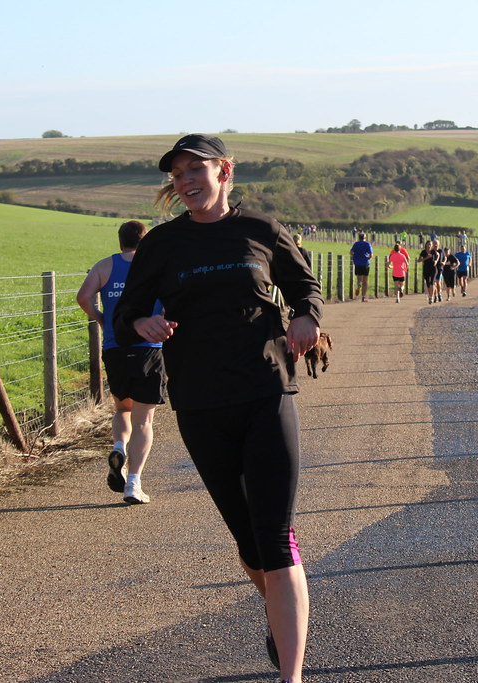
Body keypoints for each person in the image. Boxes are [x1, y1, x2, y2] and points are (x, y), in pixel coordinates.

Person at [113, 134, 322, 683]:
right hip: (201, 403)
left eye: (194, 170)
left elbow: (305, 286)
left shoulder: (260, 230)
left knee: (276, 540)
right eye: (176, 175)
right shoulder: (163, 245)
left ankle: (291, 674)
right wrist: (141, 323)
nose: (185, 182)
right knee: (250, 545)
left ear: (223, 171)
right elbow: (127, 310)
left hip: (266, 390)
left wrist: (306, 315)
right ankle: (281, 616)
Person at [76, 220, 166, 505]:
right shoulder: (156, 266)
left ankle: (118, 447)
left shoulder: (104, 266)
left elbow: (83, 297)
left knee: (122, 408)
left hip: (115, 349)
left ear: (120, 240)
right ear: (146, 240)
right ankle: (134, 484)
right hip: (149, 349)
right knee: (144, 420)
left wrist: (102, 319)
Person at [350, 231, 373, 302]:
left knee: (359, 279)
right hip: (365, 263)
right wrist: (368, 258)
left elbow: (351, 252)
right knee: (365, 281)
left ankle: (359, 285)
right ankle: (363, 297)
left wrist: (355, 256)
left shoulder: (356, 244)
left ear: (359, 238)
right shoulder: (368, 244)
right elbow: (371, 254)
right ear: (365, 238)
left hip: (357, 263)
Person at [417, 239, 441, 304]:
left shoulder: (433, 251)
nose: (429, 245)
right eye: (428, 244)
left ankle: (431, 297)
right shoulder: (423, 252)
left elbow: (438, 255)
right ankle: (430, 295)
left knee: (432, 282)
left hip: (433, 269)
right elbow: (419, 260)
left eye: (430, 244)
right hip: (426, 269)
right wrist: (426, 258)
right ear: (426, 245)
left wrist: (436, 261)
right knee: (428, 284)